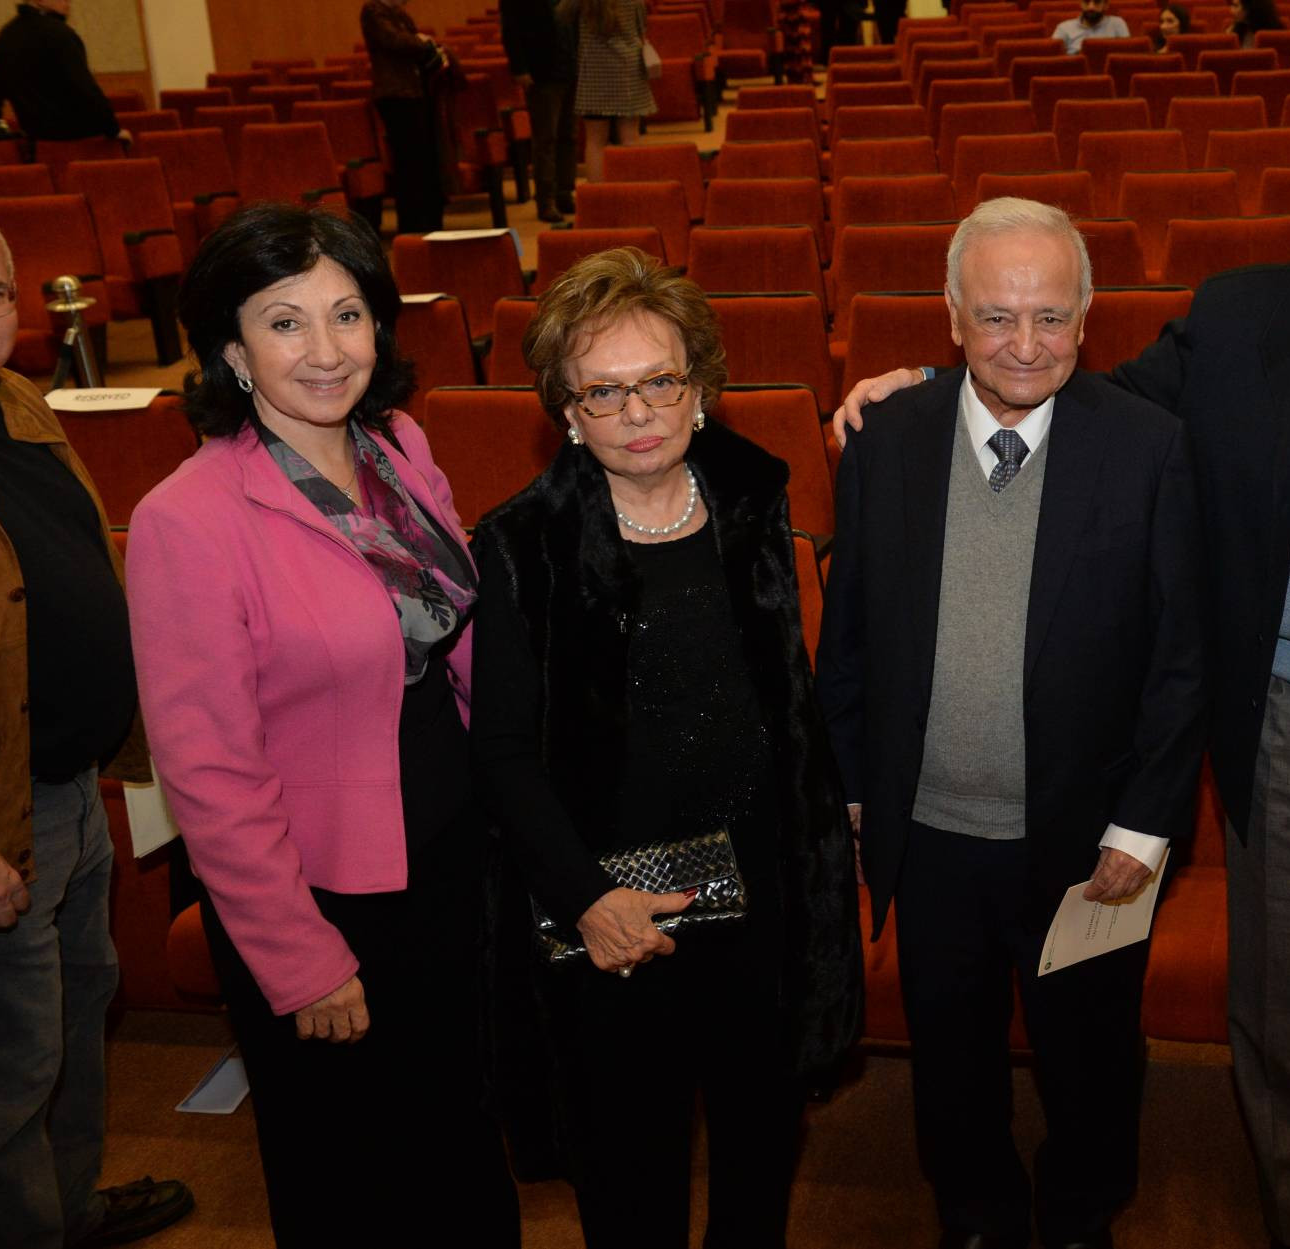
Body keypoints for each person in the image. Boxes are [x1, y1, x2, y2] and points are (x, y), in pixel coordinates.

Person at [834, 41, 1290, 1249]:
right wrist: (928, 389)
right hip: (1287, 712)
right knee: (1288, 1006)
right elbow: (1077, 396)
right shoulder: (1241, 315)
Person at [125, 204, 520, 1248]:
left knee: (463, 1148)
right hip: (323, 896)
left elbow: (456, 638)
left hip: (444, 853)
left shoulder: (398, 445)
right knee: (350, 1181)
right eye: (285, 321)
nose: (326, 348)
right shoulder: (188, 517)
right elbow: (208, 771)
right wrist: (300, 957)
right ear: (229, 346)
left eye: (347, 314)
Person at [818, 197, 1207, 1249]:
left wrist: (1141, 827)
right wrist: (854, 786)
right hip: (931, 833)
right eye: (995, 316)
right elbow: (846, 637)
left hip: (1090, 844)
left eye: (1047, 317)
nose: (1023, 344)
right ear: (951, 314)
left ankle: (1080, 1213)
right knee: (951, 1058)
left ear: (1085, 317)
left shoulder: (1149, 448)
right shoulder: (881, 440)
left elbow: (1182, 661)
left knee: (1088, 1055)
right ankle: (975, 1213)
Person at [470, 246, 862, 1249]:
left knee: (757, 1166)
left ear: (700, 390)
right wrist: (587, 902)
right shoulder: (523, 543)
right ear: (564, 410)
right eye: (604, 391)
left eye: (659, 381)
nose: (637, 412)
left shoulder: (748, 502)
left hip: (759, 905)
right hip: (612, 916)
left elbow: (784, 703)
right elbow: (505, 753)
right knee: (628, 1183)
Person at [0, 208, 193, 1249]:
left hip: (71, 782)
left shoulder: (16, 401)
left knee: (77, 1011)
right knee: (10, 1059)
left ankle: (65, 1212)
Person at [0, 0, 129, 150]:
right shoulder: (60, 34)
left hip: (36, 142)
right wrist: (113, 129)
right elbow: (84, 87)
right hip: (79, 140)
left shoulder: (8, 35)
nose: (68, 1)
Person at [361, 0, 451, 234]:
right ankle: (413, 224)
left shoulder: (397, 13)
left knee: (422, 161)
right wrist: (423, 42)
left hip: (414, 92)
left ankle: (427, 219)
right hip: (395, 95)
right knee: (408, 163)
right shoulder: (374, 11)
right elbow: (396, 42)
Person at [501, 0, 578, 223]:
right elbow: (510, 31)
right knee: (546, 140)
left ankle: (565, 193)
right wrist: (519, 68)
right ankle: (546, 200)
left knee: (569, 137)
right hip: (541, 72)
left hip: (570, 69)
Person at [573, 0, 652, 185]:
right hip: (628, 71)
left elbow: (560, 18)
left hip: (594, 70)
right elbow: (642, 30)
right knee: (630, 138)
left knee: (594, 141)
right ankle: (631, 189)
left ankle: (598, 195)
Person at [1053, 0, 1131, 56]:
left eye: (1097, 2)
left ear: (1105, 5)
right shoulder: (1064, 28)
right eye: (1087, 2)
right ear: (1081, 4)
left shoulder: (1117, 24)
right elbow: (1054, 57)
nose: (1091, 7)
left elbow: (1127, 55)